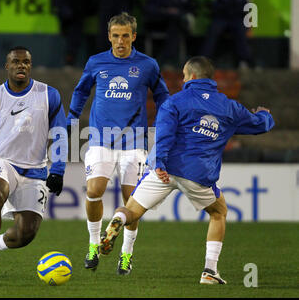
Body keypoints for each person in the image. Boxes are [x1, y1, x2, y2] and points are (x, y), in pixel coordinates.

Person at [100, 56, 274, 284]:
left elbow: (164, 133)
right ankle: (210, 272)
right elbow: (258, 125)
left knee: (131, 211)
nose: (182, 79)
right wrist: (265, 114)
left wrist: (160, 163)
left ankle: (118, 221)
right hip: (197, 173)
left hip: (164, 170)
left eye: (183, 75)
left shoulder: (174, 102)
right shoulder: (229, 107)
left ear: (191, 76)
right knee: (219, 212)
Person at [66, 12, 170, 275]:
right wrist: (72, 118)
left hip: (134, 142)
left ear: (134, 36)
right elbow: (81, 91)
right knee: (94, 189)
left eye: (125, 36)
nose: (120, 41)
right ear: (109, 36)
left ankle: (126, 255)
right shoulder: (96, 62)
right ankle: (93, 245)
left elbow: (162, 96)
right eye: (115, 36)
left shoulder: (148, 65)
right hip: (101, 138)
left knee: (132, 200)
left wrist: (168, 124)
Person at [0, 46, 67, 281]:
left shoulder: (49, 95)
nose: (22, 66)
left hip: (35, 170)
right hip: (3, 162)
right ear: (7, 66)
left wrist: (58, 170)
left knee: (25, 234)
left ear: (30, 65)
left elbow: (60, 134)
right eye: (16, 62)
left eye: (26, 62)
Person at [200, 0, 254, 69]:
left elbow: (249, 6)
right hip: (221, 17)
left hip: (237, 17)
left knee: (241, 33)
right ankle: (203, 61)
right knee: (213, 32)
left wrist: (250, 25)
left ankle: (243, 60)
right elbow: (212, 4)